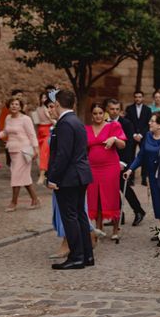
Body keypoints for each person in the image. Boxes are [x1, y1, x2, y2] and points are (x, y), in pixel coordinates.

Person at [46, 90, 94, 270]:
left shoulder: (65, 123)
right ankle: (87, 255)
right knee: (80, 215)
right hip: (80, 174)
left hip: (69, 177)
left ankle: (76, 256)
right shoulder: (77, 121)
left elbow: (63, 155)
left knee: (70, 217)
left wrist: (53, 178)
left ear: (57, 104)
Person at [86, 103, 127, 241]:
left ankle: (116, 228)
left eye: (100, 113)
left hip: (109, 167)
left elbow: (123, 145)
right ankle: (99, 228)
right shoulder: (87, 129)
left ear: (105, 114)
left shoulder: (113, 126)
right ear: (91, 115)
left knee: (111, 196)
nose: (98, 116)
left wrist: (114, 139)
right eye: (95, 113)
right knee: (94, 196)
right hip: (92, 168)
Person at [106, 99, 146, 227]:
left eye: (117, 109)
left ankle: (138, 211)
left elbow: (130, 145)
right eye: (112, 109)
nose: (115, 111)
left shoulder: (126, 123)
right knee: (113, 189)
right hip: (108, 161)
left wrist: (124, 163)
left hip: (122, 161)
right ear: (107, 109)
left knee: (125, 188)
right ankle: (119, 216)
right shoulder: (105, 123)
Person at [124, 113, 160, 229]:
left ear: (159, 125)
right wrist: (130, 169)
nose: (149, 123)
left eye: (152, 121)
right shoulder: (148, 135)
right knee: (157, 203)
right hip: (153, 176)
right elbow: (141, 155)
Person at [0, 97, 40, 211]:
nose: (14, 106)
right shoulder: (8, 118)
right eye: (12, 104)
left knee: (16, 176)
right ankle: (35, 199)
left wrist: (36, 149)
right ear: (9, 106)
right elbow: (6, 132)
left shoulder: (25, 119)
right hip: (12, 150)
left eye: (17, 104)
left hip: (24, 151)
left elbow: (32, 134)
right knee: (23, 177)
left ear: (20, 107)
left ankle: (13, 202)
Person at [125, 90, 152, 185]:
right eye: (136, 97)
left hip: (143, 136)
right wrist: (133, 134)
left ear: (143, 98)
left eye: (140, 97)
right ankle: (130, 178)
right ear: (134, 98)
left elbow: (148, 124)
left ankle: (144, 178)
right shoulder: (129, 109)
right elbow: (129, 123)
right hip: (132, 136)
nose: (138, 98)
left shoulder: (147, 109)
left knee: (144, 156)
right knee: (131, 156)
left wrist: (141, 135)